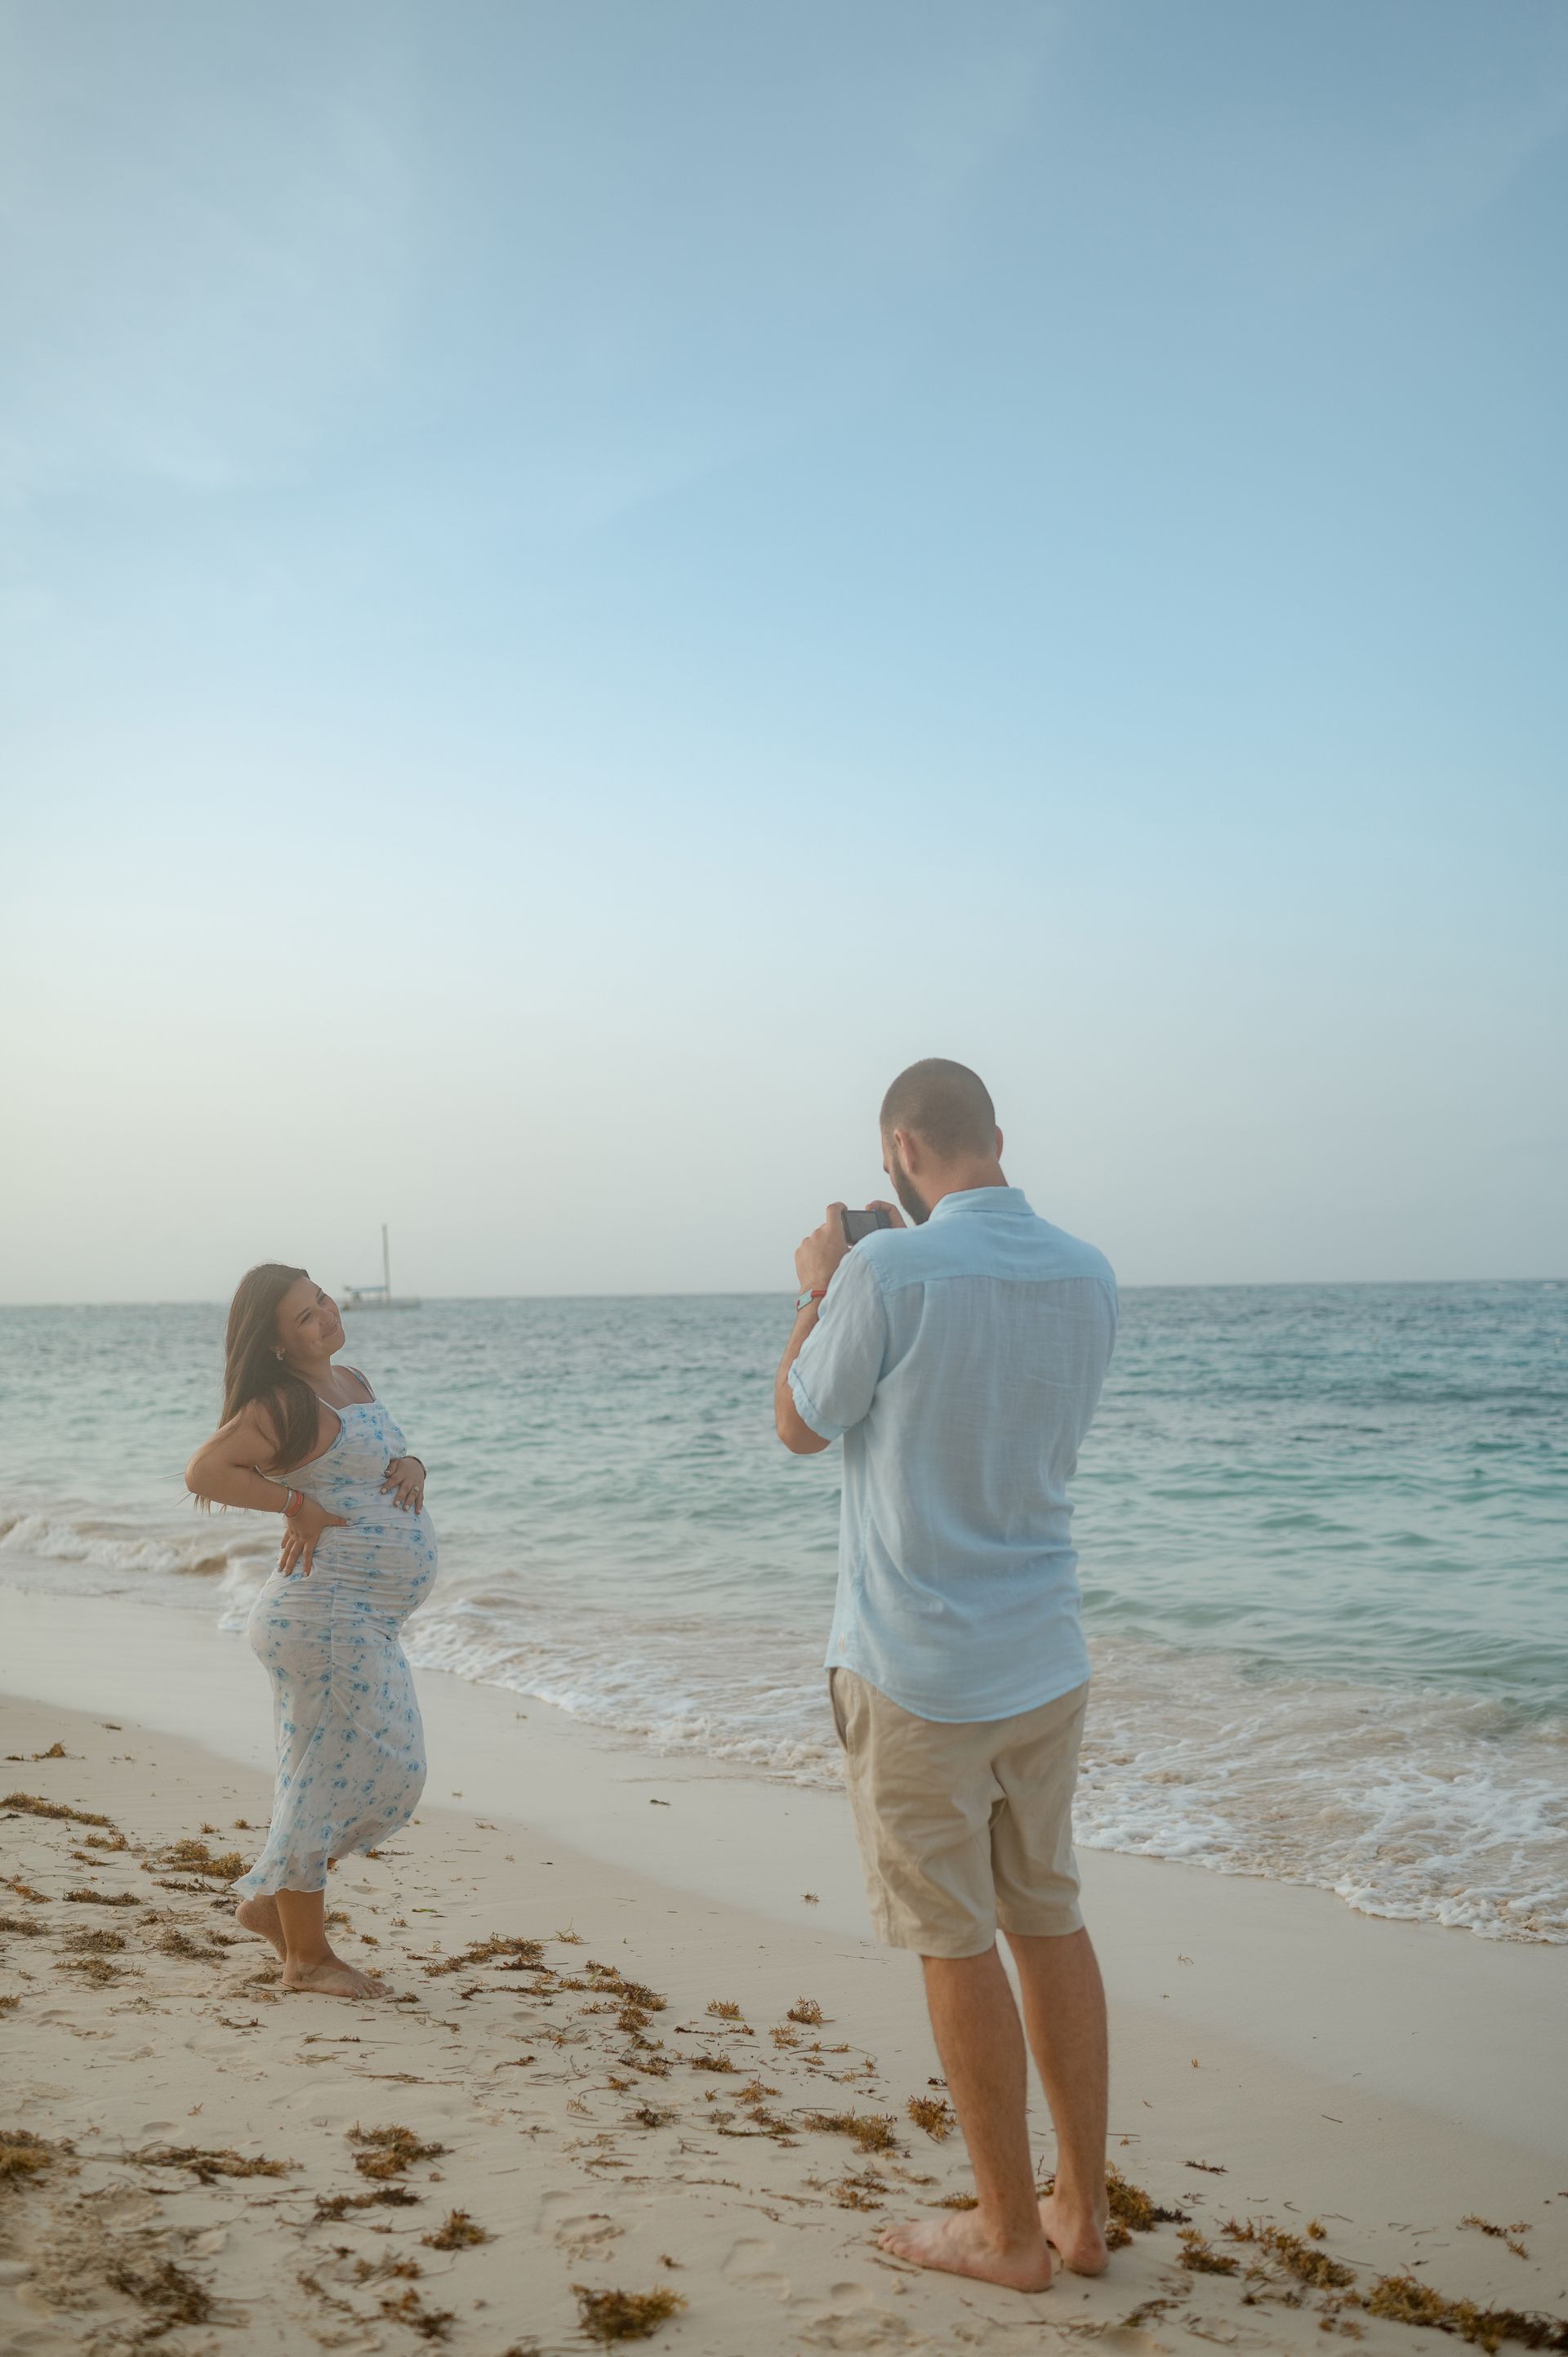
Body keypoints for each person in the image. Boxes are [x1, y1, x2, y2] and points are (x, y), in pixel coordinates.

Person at [774, 1059, 1117, 2292]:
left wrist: (816, 1290)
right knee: (1050, 1915)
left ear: (906, 1146)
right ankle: (1079, 2211)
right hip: (1044, 1649)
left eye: (889, 1168)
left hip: (916, 1662)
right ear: (995, 1136)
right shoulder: (1089, 1270)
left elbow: (801, 1423)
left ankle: (1007, 2231)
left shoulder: (884, 1268)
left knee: (952, 1937)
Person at [185, 1263, 437, 1998]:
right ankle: (307, 1957)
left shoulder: (350, 1379)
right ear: (275, 1343)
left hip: (363, 1619)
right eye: (304, 1316)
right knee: (322, 1783)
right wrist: (292, 1502)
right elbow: (206, 1471)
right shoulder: (280, 1402)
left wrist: (415, 1462)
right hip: (324, 1616)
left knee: (393, 1772)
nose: (325, 1314)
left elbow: (370, 1467)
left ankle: (275, 1906)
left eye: (321, 1299)